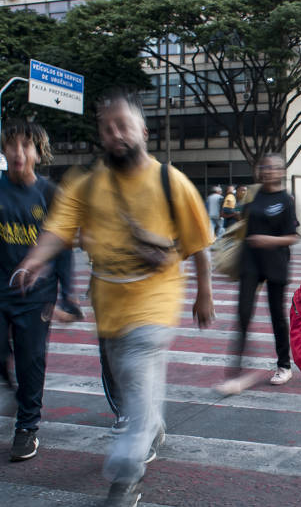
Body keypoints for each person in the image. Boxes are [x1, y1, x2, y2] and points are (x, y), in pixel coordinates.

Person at [14, 89, 214, 506]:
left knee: (138, 376)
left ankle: (126, 479)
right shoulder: (86, 185)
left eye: (123, 125)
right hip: (109, 305)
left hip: (155, 302)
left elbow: (199, 245)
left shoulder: (170, 181)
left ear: (142, 129)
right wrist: (34, 260)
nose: (115, 134)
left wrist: (203, 296)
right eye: (107, 128)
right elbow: (58, 230)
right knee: (127, 382)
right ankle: (152, 424)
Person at [0, 121, 77, 462]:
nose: (19, 153)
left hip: (37, 296)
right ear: (3, 150)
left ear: (38, 152)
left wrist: (68, 296)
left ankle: (27, 427)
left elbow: (63, 246)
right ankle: (11, 387)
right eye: (12, 145)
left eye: (26, 146)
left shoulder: (49, 193)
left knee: (31, 360)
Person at [214, 153, 299, 395]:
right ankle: (234, 373)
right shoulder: (252, 194)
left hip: (276, 264)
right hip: (250, 262)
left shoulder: (285, 199)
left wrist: (267, 240)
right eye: (264, 167)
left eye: (273, 168)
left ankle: (284, 365)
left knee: (276, 316)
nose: (267, 171)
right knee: (242, 315)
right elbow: (241, 222)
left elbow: (293, 236)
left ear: (281, 172)